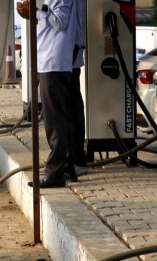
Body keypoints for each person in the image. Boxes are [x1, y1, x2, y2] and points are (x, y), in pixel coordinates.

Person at [17, 0, 77, 188]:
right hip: (50, 61)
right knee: (62, 117)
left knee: (55, 120)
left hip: (53, 61)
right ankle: (66, 165)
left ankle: (55, 172)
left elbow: (60, 21)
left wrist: (34, 12)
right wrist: (32, 14)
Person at [68, 0, 87, 179]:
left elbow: (61, 21)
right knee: (72, 105)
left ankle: (74, 159)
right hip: (71, 48)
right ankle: (75, 157)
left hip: (70, 49)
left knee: (70, 107)